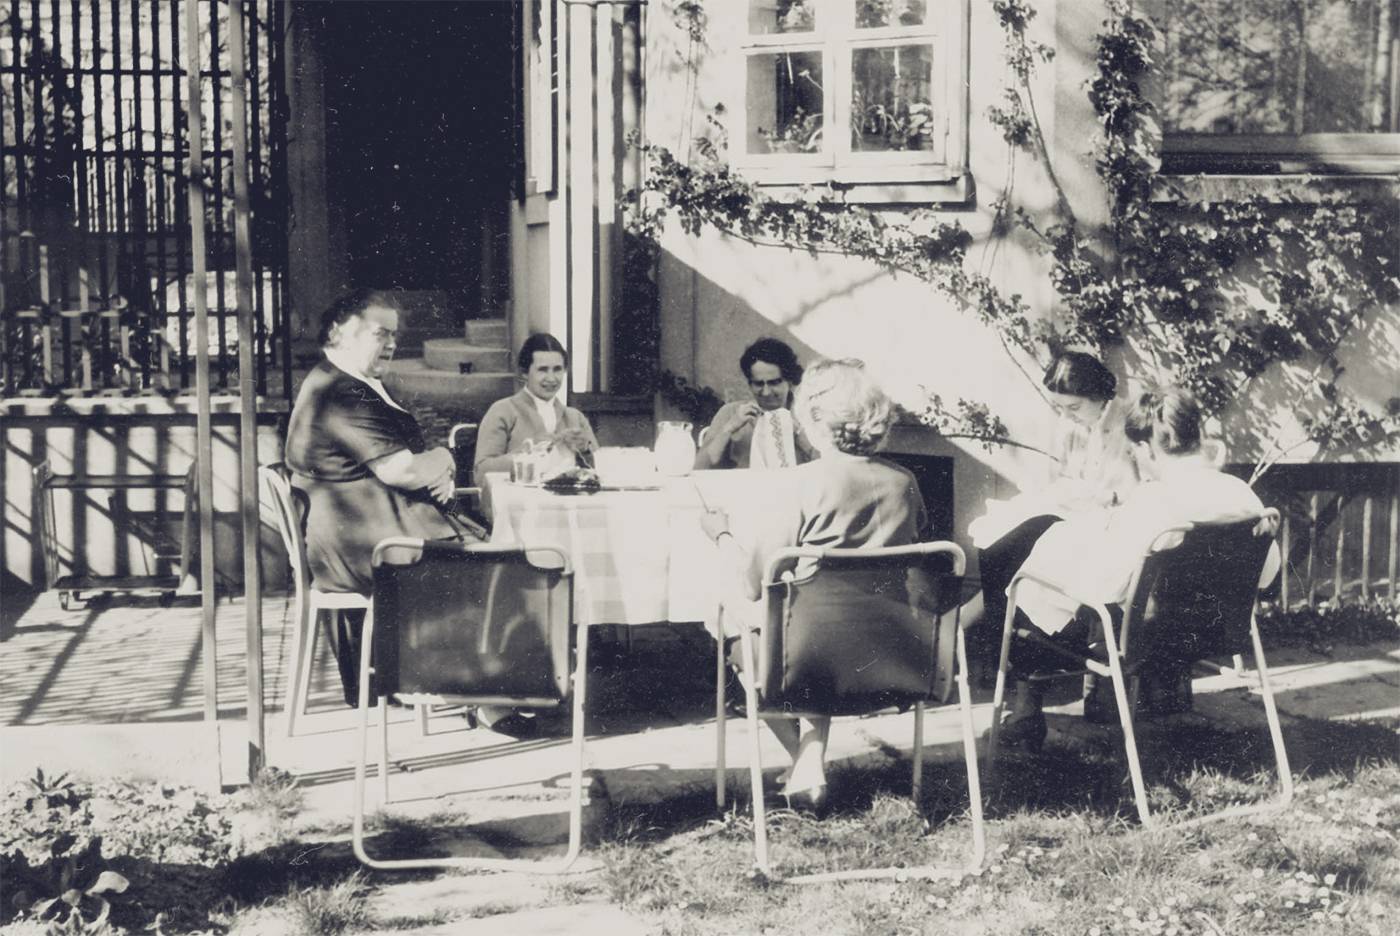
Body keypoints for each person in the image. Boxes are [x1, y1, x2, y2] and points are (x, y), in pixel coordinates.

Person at [992, 388, 1281, 749]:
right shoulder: (1242, 495)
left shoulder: (1154, 501)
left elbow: (1105, 587)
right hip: (1220, 631)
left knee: (1037, 588)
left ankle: (1026, 714)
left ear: (1146, 449)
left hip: (1151, 637)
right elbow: (1267, 578)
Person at [699, 359, 927, 812]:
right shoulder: (906, 483)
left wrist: (721, 534)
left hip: (808, 661)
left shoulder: (798, 484)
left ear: (815, 420)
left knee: (727, 618)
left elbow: (753, 583)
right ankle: (808, 760)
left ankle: (806, 758)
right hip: (895, 661)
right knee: (817, 619)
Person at [285, 290, 482, 705]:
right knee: (494, 561)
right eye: (380, 333)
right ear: (340, 333)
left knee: (485, 547)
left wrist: (434, 470)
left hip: (361, 535)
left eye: (394, 334)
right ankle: (474, 691)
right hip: (362, 547)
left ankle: (452, 683)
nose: (392, 343)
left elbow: (405, 467)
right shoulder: (341, 392)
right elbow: (402, 470)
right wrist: (443, 458)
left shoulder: (343, 381)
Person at [959, 351, 1139, 653]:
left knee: (1021, 542)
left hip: (1110, 524)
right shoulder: (1071, 424)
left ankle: (1002, 642)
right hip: (1073, 513)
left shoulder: (1129, 424)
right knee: (996, 537)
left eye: (1074, 407)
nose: (1067, 415)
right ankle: (998, 635)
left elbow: (1139, 491)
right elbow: (1063, 476)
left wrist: (1102, 495)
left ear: (1097, 395)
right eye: (1060, 408)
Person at [473, 333, 598, 484]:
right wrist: (528, 453)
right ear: (525, 373)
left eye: (557, 369)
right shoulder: (503, 411)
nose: (551, 378)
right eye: (543, 370)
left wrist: (585, 450)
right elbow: (481, 472)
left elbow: (598, 474)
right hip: (517, 503)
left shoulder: (575, 417)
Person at [694, 337, 818, 470]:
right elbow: (699, 467)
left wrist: (799, 434)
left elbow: (832, 469)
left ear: (790, 380)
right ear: (749, 384)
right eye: (758, 384)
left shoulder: (809, 414)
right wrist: (729, 428)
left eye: (774, 382)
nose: (766, 392)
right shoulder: (730, 412)